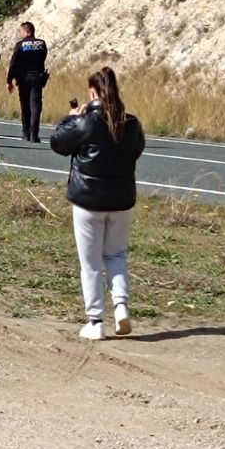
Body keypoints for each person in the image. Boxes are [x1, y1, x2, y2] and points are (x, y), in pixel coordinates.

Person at [49, 67, 145, 341]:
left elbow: (58, 143)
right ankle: (121, 306)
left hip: (88, 199)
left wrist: (70, 120)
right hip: (122, 199)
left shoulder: (85, 122)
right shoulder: (131, 123)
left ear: (93, 92)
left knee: (90, 262)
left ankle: (95, 320)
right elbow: (137, 150)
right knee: (116, 255)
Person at [7, 21, 49, 143]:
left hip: (24, 78)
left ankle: (26, 133)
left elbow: (13, 64)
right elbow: (43, 58)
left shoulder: (20, 45)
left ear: (27, 31)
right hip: (37, 77)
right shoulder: (41, 44)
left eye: (21, 31)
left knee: (25, 106)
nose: (20, 34)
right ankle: (34, 135)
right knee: (36, 106)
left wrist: (9, 80)